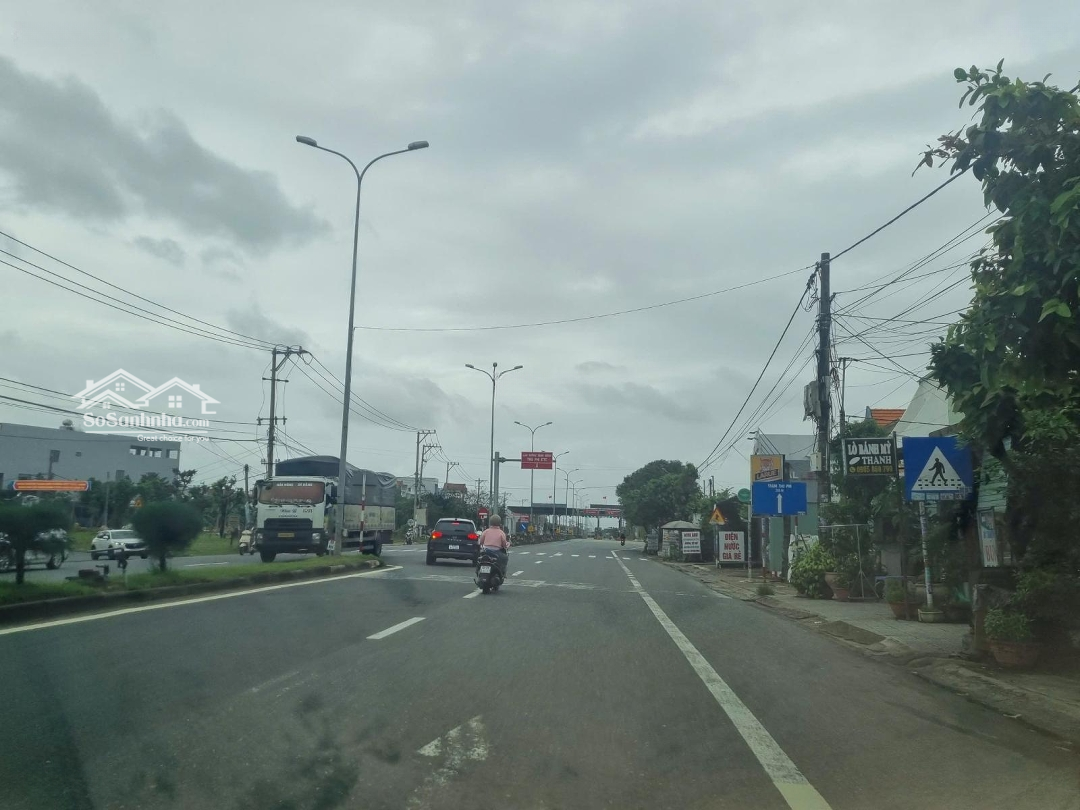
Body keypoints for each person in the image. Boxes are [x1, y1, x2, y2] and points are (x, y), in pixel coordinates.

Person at [477, 513, 511, 579]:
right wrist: (506, 545)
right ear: (499, 523)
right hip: (497, 552)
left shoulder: (486, 531)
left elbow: (480, 542)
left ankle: (477, 570)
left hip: (486, 551)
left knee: (480, 559)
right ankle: (503, 573)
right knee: (505, 558)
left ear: (490, 522)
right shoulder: (501, 533)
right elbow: (504, 544)